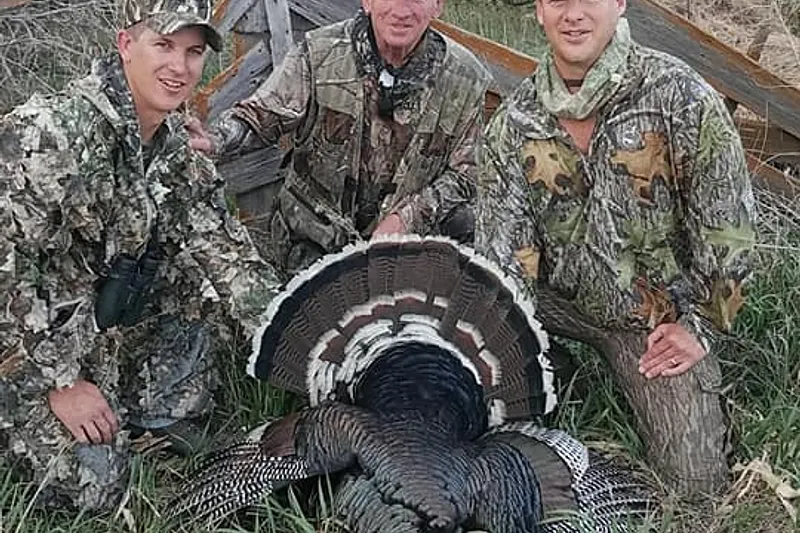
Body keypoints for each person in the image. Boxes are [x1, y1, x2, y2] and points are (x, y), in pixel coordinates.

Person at [0, 0, 281, 511]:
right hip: (22, 350)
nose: (180, 67)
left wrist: (309, 347)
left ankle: (138, 407)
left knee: (199, 293)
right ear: (126, 45)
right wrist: (60, 382)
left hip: (95, 327)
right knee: (96, 486)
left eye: (193, 52)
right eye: (164, 45)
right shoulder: (49, 134)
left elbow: (230, 259)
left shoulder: (174, 148)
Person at [475, 0, 756, 496]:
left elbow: (729, 228)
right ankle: (550, 363)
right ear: (539, 11)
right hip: (560, 301)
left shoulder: (678, 95)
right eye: (558, 1)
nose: (573, 15)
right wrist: (500, 356)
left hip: (652, 322)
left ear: (619, 5)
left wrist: (701, 326)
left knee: (695, 487)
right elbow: (505, 258)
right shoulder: (514, 122)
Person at [189, 0, 491, 277]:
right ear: (367, 2)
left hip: (406, 249)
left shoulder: (466, 79)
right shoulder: (319, 53)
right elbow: (261, 115)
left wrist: (408, 218)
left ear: (437, 6)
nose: (401, 10)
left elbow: (467, 174)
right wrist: (216, 141)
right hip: (314, 240)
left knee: (467, 224)